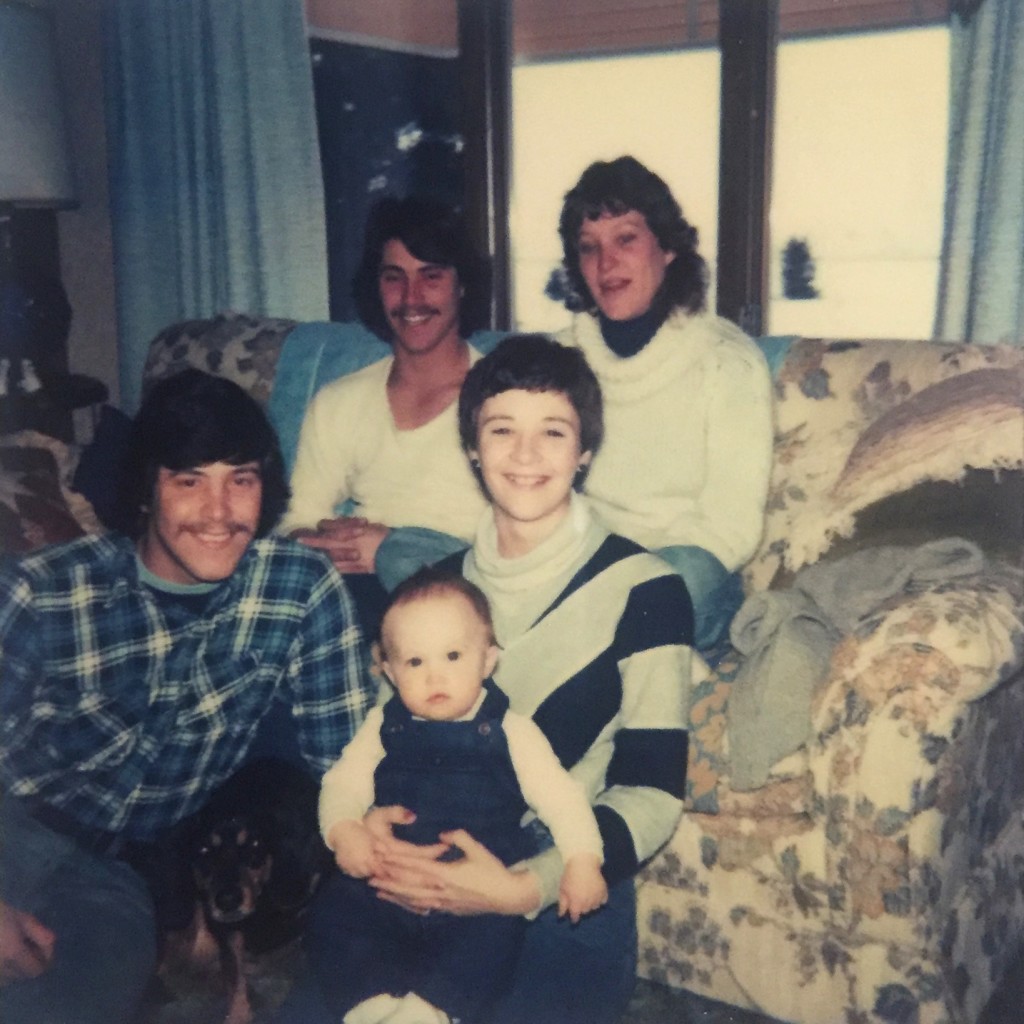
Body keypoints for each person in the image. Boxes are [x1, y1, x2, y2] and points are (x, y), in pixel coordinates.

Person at [278, 335, 694, 1024]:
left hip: (564, 873)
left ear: (583, 449)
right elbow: (388, 739)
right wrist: (367, 830)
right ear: (473, 447)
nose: (526, 457)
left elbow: (651, 793)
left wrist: (521, 887)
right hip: (418, 853)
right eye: (502, 430)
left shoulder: (648, 590)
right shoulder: (432, 591)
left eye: (552, 432)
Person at [0, 368, 374, 1024]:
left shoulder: (296, 591)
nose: (220, 512)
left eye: (242, 480)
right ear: (147, 488)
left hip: (121, 879)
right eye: (189, 480)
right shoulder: (46, 593)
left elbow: (347, 769)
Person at [317, 567, 607, 1024]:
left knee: (494, 941)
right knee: (334, 913)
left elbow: (562, 799)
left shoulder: (512, 730)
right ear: (390, 672)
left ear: (488, 660)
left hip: (477, 890)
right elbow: (343, 783)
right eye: (415, 662)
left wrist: (583, 861)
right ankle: (370, 1006)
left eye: (452, 655)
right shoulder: (383, 724)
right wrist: (344, 831)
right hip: (386, 880)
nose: (435, 675)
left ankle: (430, 1012)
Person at [555, 155, 774, 650]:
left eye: (626, 239)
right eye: (589, 248)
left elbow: (730, 525)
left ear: (668, 247)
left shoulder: (726, 362)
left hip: (685, 568)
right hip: (580, 566)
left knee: (658, 594)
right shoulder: (557, 361)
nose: (606, 264)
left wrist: (622, 582)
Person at [280, 196, 496, 630]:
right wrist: (325, 541)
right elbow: (295, 521)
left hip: (461, 589)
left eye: (431, 277)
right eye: (394, 278)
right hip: (355, 594)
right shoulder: (340, 401)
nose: (411, 298)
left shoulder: (500, 399)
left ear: (462, 285)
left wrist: (392, 549)